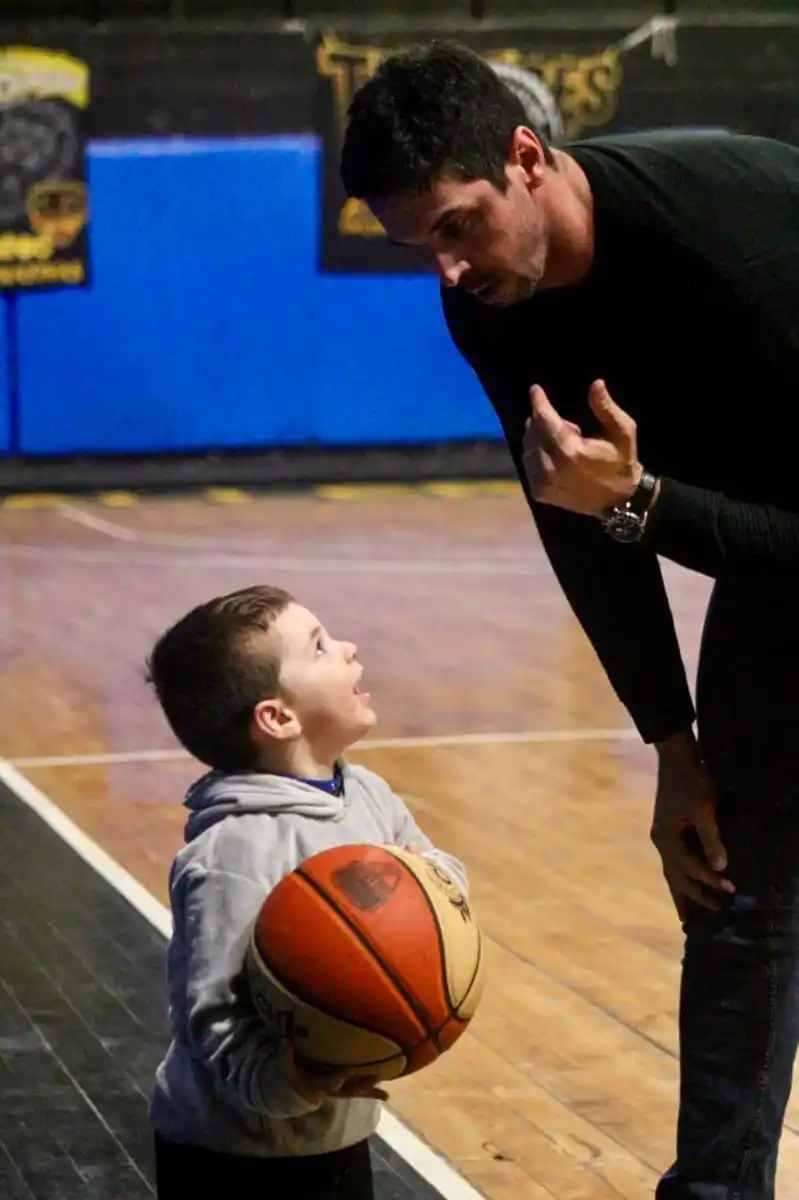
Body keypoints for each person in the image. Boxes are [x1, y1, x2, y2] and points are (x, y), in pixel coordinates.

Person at [339, 40, 799, 1200]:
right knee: (731, 882)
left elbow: (630, 510)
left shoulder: (740, 247)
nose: (445, 269)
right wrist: (673, 747)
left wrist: (641, 503)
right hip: (763, 511)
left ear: (526, 158)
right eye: (415, 247)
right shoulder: (491, 301)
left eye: (457, 226)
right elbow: (574, 516)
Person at [144, 583, 468, 1200]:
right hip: (228, 1153)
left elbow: (440, 879)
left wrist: (427, 901)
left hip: (335, 1134)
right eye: (320, 647)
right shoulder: (232, 853)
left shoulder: (366, 793)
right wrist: (290, 1082)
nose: (349, 648)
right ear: (278, 717)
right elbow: (211, 1016)